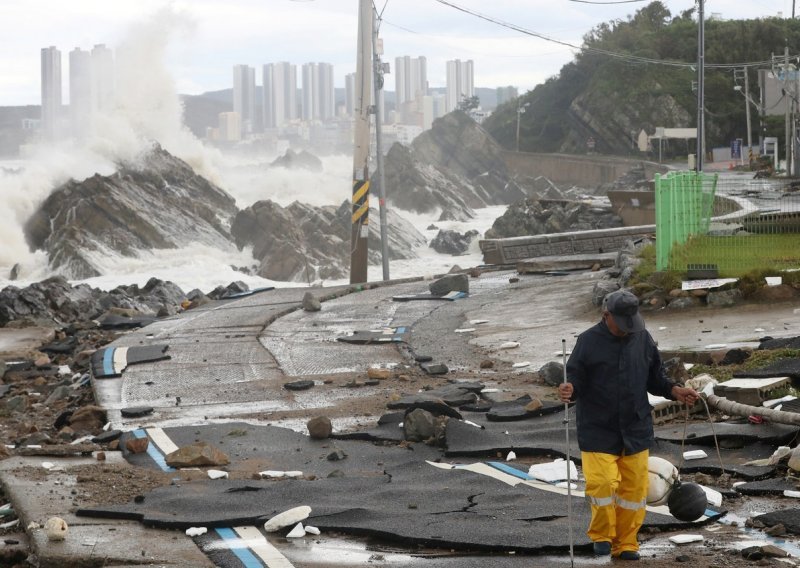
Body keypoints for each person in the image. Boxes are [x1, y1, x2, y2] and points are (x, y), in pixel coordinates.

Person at [557, 289, 699, 561]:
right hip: (598, 427)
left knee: (633, 491)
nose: (627, 330)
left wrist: (674, 390)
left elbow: (655, 378)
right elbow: (575, 379)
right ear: (606, 315)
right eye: (622, 324)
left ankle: (627, 542)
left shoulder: (642, 339)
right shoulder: (587, 342)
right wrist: (568, 390)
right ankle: (601, 535)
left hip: (635, 426)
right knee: (602, 484)